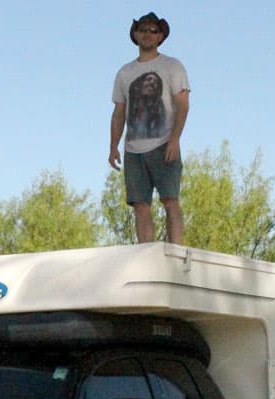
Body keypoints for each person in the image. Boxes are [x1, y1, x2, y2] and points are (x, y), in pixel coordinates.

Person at [109, 11, 190, 244]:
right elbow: (119, 113)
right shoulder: (125, 73)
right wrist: (113, 146)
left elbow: (183, 104)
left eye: (153, 30)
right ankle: (145, 253)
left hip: (163, 143)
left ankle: (176, 250)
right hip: (133, 149)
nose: (147, 34)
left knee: (170, 199)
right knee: (140, 205)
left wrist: (175, 139)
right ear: (135, 34)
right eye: (143, 29)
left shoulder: (172, 66)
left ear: (161, 36)